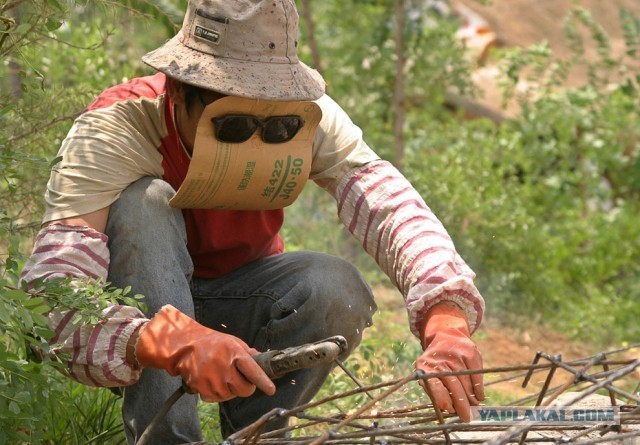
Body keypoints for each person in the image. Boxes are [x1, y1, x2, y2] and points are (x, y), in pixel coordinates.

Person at [20, 1, 486, 443]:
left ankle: (260, 434)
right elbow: (51, 299)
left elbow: (389, 207)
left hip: (239, 302)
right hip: (143, 310)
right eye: (235, 125)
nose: (259, 140)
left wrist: (445, 320)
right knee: (146, 202)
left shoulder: (310, 117)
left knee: (333, 285)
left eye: (278, 125)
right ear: (180, 94)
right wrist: (159, 340)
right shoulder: (115, 129)